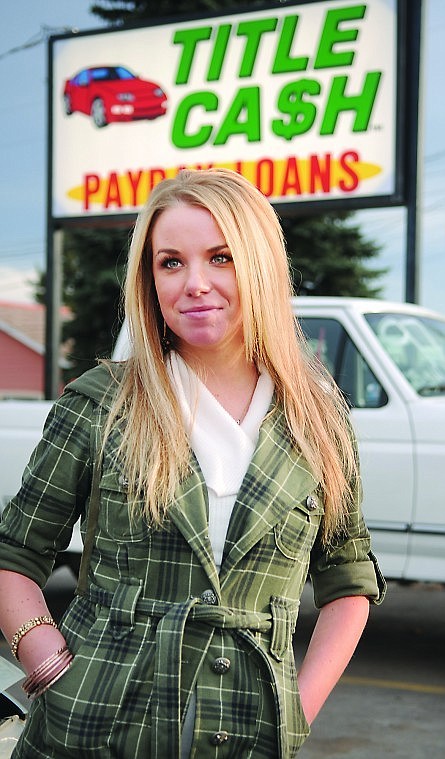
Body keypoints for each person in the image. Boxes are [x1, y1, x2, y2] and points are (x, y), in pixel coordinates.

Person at [0, 168, 385, 758]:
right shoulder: (101, 403)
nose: (195, 283)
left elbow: (349, 580)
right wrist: (48, 662)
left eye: (221, 257)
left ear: (259, 265)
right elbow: (14, 555)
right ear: (148, 278)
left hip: (248, 733)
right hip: (92, 729)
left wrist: (296, 710)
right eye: (171, 262)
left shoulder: (318, 418)